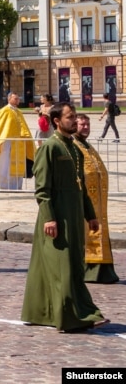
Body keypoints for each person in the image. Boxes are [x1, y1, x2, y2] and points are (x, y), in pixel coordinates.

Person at [21, 103, 108, 331]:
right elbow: (42, 189)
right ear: (57, 121)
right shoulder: (50, 148)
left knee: (73, 265)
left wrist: (91, 216)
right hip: (57, 217)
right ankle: (75, 316)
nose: (74, 120)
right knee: (64, 268)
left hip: (75, 216)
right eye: (70, 117)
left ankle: (42, 312)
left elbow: (82, 188)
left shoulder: (75, 148)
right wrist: (49, 218)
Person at [73, 113, 119, 284]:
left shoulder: (87, 146)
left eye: (87, 124)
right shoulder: (74, 145)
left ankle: (103, 271)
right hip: (84, 202)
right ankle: (88, 271)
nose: (85, 127)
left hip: (99, 202)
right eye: (82, 125)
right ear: (74, 125)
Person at [0, 92, 34, 190]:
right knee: (5, 162)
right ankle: (3, 184)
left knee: (18, 163)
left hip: (18, 143)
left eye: (18, 98)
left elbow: (23, 126)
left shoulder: (18, 112)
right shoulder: (5, 111)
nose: (17, 100)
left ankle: (15, 185)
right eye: (15, 98)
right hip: (7, 142)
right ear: (9, 99)